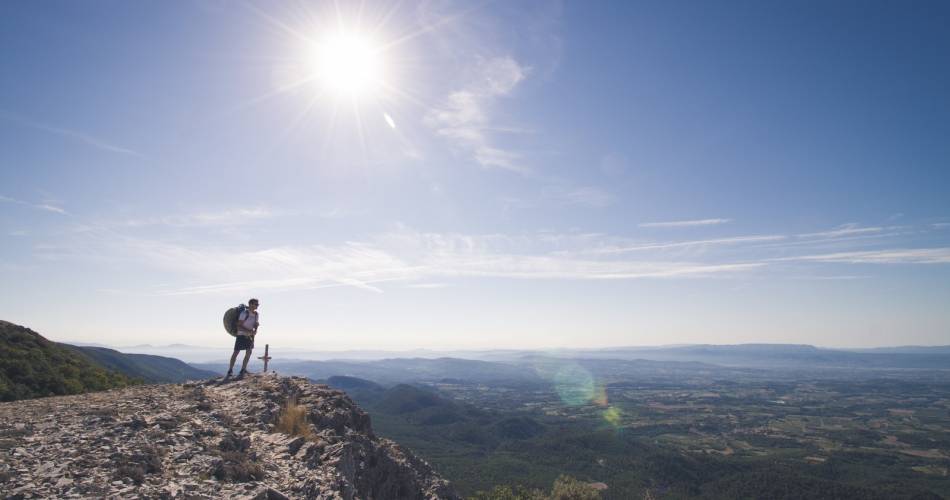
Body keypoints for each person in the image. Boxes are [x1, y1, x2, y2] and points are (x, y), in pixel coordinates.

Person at [227, 298, 259, 378]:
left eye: (257, 304)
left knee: (249, 352)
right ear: (250, 304)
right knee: (236, 352)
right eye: (256, 304)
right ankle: (230, 370)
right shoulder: (244, 314)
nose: (257, 306)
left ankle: (243, 370)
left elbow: (254, 324)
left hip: (250, 336)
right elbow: (239, 327)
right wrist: (249, 331)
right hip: (241, 335)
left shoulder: (256, 314)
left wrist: (255, 328)